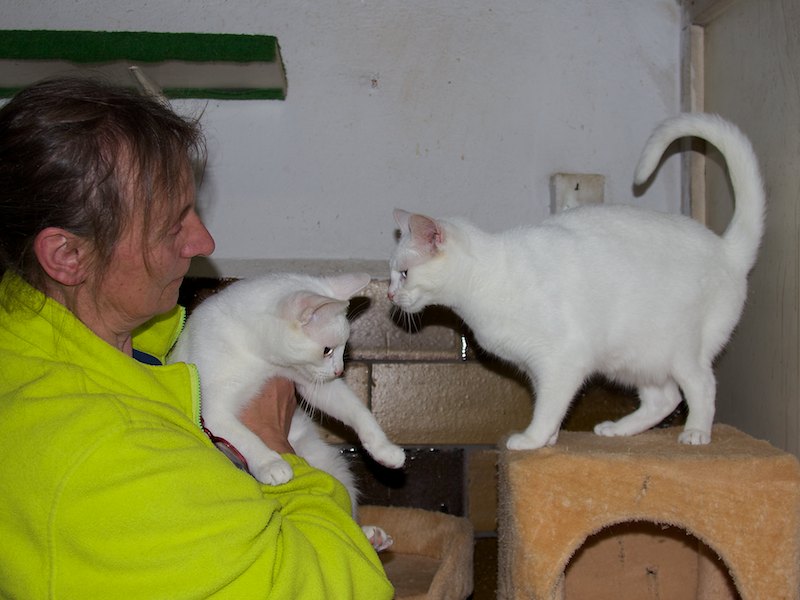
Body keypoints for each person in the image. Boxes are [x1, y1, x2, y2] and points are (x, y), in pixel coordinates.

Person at [0, 77, 394, 599]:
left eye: (194, 210)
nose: (204, 241)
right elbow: (344, 589)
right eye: (172, 226)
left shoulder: (60, 341)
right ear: (67, 256)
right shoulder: (111, 454)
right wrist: (277, 445)